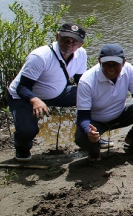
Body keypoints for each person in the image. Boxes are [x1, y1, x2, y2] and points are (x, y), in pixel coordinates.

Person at [6, 23, 88, 161]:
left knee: (93, 96)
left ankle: (89, 137)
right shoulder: (40, 56)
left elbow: (82, 81)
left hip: (57, 93)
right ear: (57, 37)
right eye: (65, 39)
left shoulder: (81, 54)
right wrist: (34, 100)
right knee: (28, 130)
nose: (69, 43)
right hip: (23, 96)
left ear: (81, 44)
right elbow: (22, 88)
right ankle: (22, 149)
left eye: (74, 41)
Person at [75, 44, 133, 160]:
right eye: (107, 64)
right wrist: (89, 131)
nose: (111, 68)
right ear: (99, 61)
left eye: (115, 64)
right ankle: (94, 151)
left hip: (120, 113)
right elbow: (83, 116)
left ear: (123, 62)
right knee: (83, 137)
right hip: (96, 121)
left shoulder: (128, 69)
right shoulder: (87, 80)